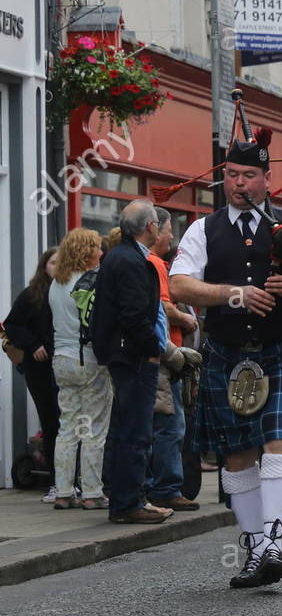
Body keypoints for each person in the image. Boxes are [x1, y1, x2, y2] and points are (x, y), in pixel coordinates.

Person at [171, 131, 282, 587]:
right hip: (227, 355)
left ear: (266, 179)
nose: (238, 184)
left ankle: (271, 540)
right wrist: (233, 295)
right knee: (237, 454)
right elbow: (179, 285)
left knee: (278, 441)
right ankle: (255, 545)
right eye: (231, 174)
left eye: (248, 175)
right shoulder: (203, 229)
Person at [91, 200, 172, 525]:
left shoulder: (120, 256)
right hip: (133, 356)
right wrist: (153, 349)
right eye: (160, 225)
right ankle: (129, 503)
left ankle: (129, 499)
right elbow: (134, 315)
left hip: (125, 354)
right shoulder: (130, 262)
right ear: (150, 228)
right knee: (135, 431)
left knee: (129, 429)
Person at [140, 211, 199, 513]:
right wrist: (187, 318)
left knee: (162, 425)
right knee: (170, 425)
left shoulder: (154, 263)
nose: (172, 237)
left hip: (163, 356)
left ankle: (159, 486)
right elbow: (162, 306)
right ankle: (166, 488)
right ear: (154, 230)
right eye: (168, 230)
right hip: (165, 358)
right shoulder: (154, 265)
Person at [48, 229, 110, 510]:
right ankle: (92, 492)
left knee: (68, 427)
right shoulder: (90, 282)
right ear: (86, 252)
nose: (100, 253)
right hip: (88, 359)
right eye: (96, 248)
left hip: (61, 359)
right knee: (93, 429)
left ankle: (62, 490)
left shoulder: (56, 283)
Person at [4, 249, 59, 501]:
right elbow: (12, 324)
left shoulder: (69, 291)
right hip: (39, 367)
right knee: (50, 422)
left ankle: (74, 478)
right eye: (52, 262)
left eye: (61, 262)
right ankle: (56, 481)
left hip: (65, 364)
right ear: (43, 265)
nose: (57, 267)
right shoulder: (32, 295)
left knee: (69, 423)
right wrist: (33, 344)